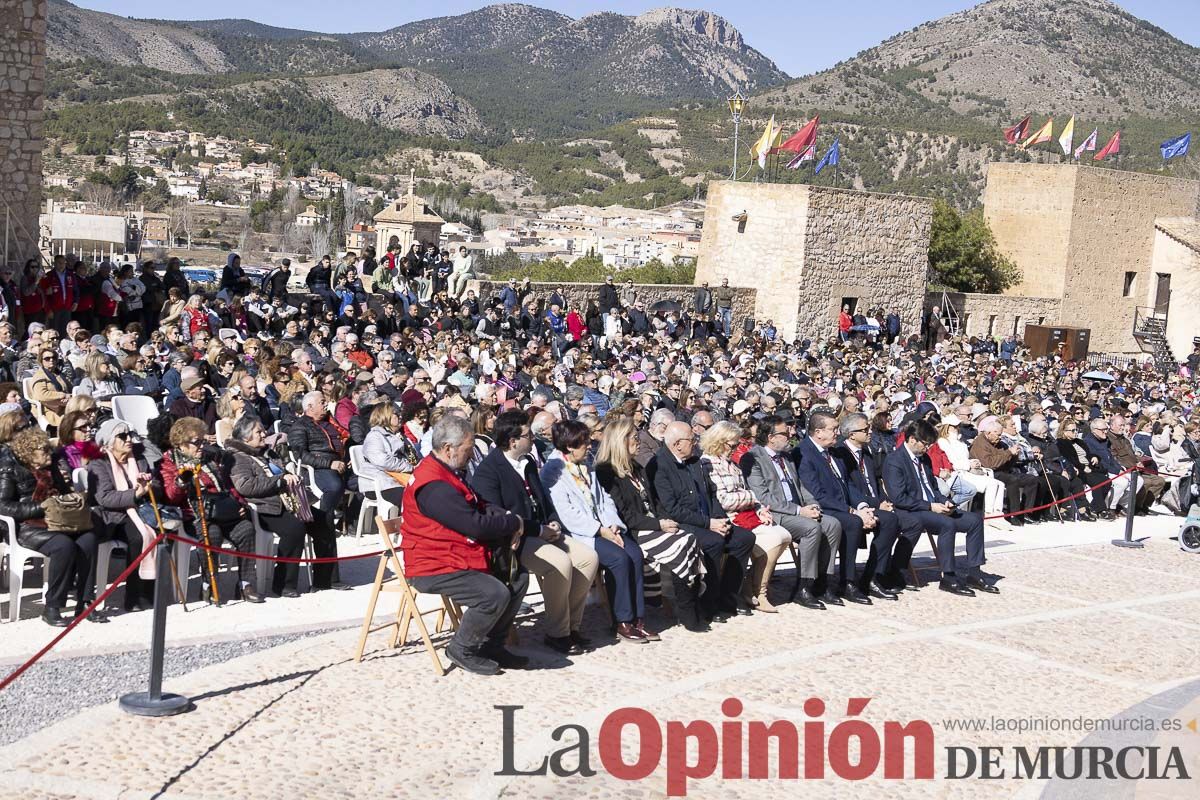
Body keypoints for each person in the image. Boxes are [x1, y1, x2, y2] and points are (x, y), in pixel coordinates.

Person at [400, 414, 530, 675]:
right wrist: (513, 523)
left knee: (517, 578)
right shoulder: (434, 484)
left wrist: (507, 518)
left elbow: (479, 504)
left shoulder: (447, 471)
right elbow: (475, 525)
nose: (472, 455)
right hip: (434, 564)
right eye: (468, 450)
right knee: (494, 593)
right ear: (449, 449)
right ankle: (461, 647)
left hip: (454, 553)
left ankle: (492, 644)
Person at [471, 410, 600, 654]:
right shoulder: (489, 471)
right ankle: (557, 632)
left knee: (588, 558)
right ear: (513, 441)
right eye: (528, 434)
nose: (533, 438)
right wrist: (539, 530)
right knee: (560, 563)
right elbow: (500, 517)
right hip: (515, 539)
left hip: (542, 531)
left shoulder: (528, 463)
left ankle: (571, 626)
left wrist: (552, 522)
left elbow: (543, 500)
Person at [542, 419, 653, 643]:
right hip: (580, 533)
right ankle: (622, 620)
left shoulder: (586, 465)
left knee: (635, 554)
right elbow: (568, 513)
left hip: (604, 527)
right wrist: (600, 530)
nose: (590, 446)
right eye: (584, 443)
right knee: (619, 559)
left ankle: (638, 618)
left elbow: (604, 500)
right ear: (570, 446)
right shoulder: (552, 472)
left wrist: (612, 524)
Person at [595, 415, 707, 633]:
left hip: (654, 523)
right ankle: (686, 609)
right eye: (634, 437)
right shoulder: (606, 472)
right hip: (635, 529)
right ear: (620, 441)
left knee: (689, 538)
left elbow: (655, 501)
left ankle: (689, 604)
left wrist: (668, 521)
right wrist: (659, 525)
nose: (638, 440)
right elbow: (624, 514)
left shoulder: (636, 467)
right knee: (682, 543)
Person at [228, 414, 345, 596]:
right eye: (258, 431)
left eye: (262, 430)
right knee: (295, 528)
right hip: (262, 506)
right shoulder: (238, 458)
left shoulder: (268, 452)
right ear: (245, 437)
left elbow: (281, 473)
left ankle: (326, 579)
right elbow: (245, 486)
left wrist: (287, 476)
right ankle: (283, 584)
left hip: (287, 501)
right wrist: (279, 480)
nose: (264, 433)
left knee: (325, 520)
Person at [651, 421, 755, 622]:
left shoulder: (694, 461)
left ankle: (728, 597)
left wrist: (721, 520)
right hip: (682, 523)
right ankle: (708, 603)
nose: (696, 442)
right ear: (678, 444)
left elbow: (711, 494)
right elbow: (672, 509)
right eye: (692, 439)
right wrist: (709, 524)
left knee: (744, 538)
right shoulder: (660, 465)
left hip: (708, 519)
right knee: (713, 542)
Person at [882, 420, 996, 596]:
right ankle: (948, 576)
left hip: (932, 506)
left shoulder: (924, 458)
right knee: (946, 524)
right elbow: (899, 498)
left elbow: (933, 488)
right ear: (912, 439)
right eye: (925, 444)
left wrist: (945, 501)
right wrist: (930, 506)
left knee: (974, 521)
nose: (927, 449)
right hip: (912, 509)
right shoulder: (895, 460)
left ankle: (974, 572)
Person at [2, 428, 102, 626]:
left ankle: (85, 601)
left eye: (49, 449)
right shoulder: (9, 468)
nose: (49, 454)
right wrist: (40, 507)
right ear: (29, 453)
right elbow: (3, 505)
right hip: (28, 526)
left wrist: (69, 496)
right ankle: (52, 607)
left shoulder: (52, 465)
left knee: (89, 539)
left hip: (59, 520)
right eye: (43, 450)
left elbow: (62, 494)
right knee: (63, 546)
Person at [742, 415, 841, 609]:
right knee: (811, 528)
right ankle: (804, 586)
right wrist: (799, 511)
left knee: (832, 524)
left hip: (798, 509)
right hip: (776, 513)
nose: (790, 435)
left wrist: (812, 505)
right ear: (771, 437)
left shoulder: (786, 456)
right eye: (784, 433)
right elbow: (763, 497)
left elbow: (800, 486)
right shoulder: (753, 458)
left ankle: (824, 582)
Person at [160, 417, 261, 604]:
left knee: (246, 529)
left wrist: (240, 505)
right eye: (196, 442)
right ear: (181, 444)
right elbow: (171, 496)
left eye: (202, 441)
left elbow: (228, 486)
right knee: (211, 535)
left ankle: (245, 584)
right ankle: (208, 584)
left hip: (224, 510)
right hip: (197, 516)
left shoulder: (209, 458)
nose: (201, 446)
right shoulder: (169, 462)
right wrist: (182, 481)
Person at [699, 421, 791, 613]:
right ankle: (758, 591)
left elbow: (744, 491)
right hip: (729, 517)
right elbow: (723, 499)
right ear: (719, 442)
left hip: (747, 514)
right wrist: (751, 498)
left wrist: (759, 509)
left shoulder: (731, 463)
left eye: (735, 445)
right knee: (775, 538)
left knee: (784, 535)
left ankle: (753, 587)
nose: (734, 449)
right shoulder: (708, 464)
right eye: (731, 445)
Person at [795, 411, 886, 603]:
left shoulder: (833, 450)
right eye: (834, 429)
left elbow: (847, 485)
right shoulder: (803, 453)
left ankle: (873, 576)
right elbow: (817, 495)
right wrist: (853, 512)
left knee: (889, 519)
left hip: (844, 505)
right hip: (821, 507)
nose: (838, 432)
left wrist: (862, 506)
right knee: (852, 523)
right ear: (818, 432)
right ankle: (847, 581)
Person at [86, 419, 163, 612]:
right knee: (138, 537)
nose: (128, 439)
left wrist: (149, 485)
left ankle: (149, 591)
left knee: (158, 533)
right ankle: (134, 596)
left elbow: (158, 486)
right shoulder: (98, 465)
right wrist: (135, 494)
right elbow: (105, 498)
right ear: (109, 442)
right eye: (122, 436)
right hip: (113, 516)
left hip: (140, 511)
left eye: (129, 434)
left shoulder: (138, 459)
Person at [970, 416, 1041, 523]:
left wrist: (1014, 456)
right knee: (1012, 480)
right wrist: (1008, 453)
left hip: (1004, 470)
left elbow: (1008, 463)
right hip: (989, 472)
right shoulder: (980, 443)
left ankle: (1026, 512)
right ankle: (1013, 514)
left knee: (1032, 479)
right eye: (998, 435)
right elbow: (989, 464)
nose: (1000, 437)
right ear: (989, 433)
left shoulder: (999, 443)